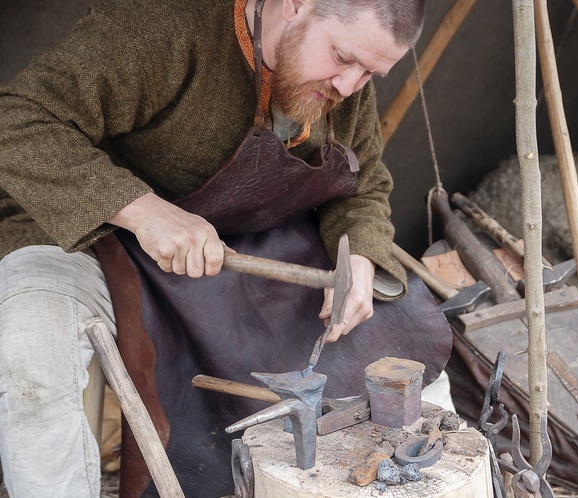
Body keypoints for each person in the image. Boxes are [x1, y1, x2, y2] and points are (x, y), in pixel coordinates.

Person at [0, 0, 453, 496]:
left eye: (370, 74)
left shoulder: (345, 86)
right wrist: (140, 209)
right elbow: (17, 119)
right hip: (97, 239)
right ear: (295, 5)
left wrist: (363, 256)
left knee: (405, 353)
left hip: (249, 254)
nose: (348, 86)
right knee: (28, 347)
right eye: (343, 57)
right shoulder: (161, 27)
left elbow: (361, 184)